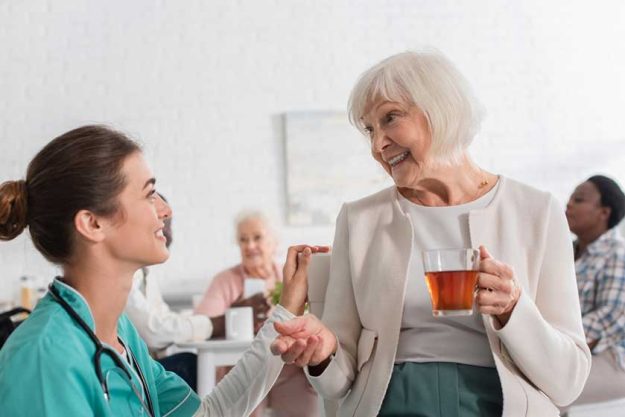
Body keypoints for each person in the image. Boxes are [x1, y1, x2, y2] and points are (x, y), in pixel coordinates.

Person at [271, 50, 591, 417]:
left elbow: (568, 383)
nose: (377, 146)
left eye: (390, 118)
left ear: (440, 109)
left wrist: (513, 309)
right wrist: (324, 353)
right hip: (392, 404)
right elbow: (338, 382)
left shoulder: (537, 211)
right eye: (370, 130)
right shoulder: (360, 220)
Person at [0, 125, 328, 416]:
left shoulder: (121, 334)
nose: (166, 209)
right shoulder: (42, 359)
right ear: (93, 223)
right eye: (149, 194)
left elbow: (211, 413)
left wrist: (286, 309)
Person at [195, 211, 318, 417]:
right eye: (243, 240)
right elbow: (202, 324)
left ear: (273, 242)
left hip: (288, 366)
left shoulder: (289, 277)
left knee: (302, 384)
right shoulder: (225, 281)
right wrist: (234, 313)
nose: (250, 246)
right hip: (241, 366)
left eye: (257, 237)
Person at [125, 202, 224, 391]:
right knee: (189, 366)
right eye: (161, 221)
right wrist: (214, 324)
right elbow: (154, 331)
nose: (167, 229)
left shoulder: (147, 272)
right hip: (128, 372)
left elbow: (163, 317)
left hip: (144, 366)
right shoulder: (124, 275)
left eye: (169, 223)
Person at [565, 175, 625, 406]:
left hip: (613, 356)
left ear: (604, 213)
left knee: (541, 390)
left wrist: (553, 346)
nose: (568, 204)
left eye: (579, 200)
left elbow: (611, 315)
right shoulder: (566, 252)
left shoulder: (617, 253)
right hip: (571, 353)